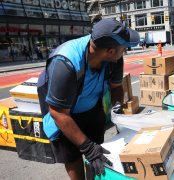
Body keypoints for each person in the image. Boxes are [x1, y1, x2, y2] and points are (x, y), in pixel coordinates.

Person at [39, 19, 139, 179]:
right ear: (111, 51)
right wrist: (87, 148)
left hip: (92, 107)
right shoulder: (65, 63)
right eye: (124, 48)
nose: (125, 51)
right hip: (64, 115)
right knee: (74, 156)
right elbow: (58, 113)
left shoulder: (114, 58)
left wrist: (118, 110)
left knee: (98, 155)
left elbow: (116, 87)